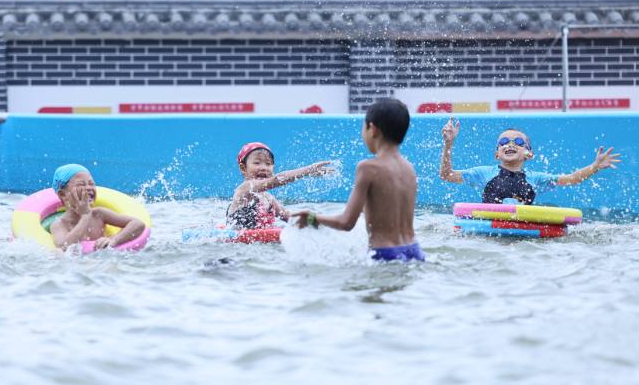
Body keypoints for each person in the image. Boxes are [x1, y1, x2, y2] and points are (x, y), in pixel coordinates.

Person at [292, 99, 424, 263]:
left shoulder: (367, 168)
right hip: (415, 251)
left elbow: (346, 223)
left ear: (373, 130)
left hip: (385, 254)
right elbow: (384, 211)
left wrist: (312, 216)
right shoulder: (408, 168)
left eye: (363, 128)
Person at [439, 117, 621, 204]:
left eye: (518, 142)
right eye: (503, 142)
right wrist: (449, 143)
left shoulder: (536, 178)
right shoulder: (484, 173)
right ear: (497, 154)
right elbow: (446, 175)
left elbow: (573, 178)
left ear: (529, 154)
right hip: (489, 230)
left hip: (524, 232)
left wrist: (596, 166)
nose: (510, 144)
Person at [227, 143, 334, 229]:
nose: (264, 168)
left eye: (268, 164)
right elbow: (277, 180)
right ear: (243, 168)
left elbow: (292, 218)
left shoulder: (269, 198)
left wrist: (320, 221)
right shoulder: (244, 189)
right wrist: (306, 171)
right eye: (257, 163)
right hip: (239, 249)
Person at [50, 164, 147, 251]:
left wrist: (114, 239)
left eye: (92, 184)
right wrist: (85, 216)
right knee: (56, 253)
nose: (89, 188)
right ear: (62, 194)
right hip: (80, 265)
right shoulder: (59, 224)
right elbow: (65, 247)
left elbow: (138, 224)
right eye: (81, 184)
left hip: (102, 262)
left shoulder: (100, 214)